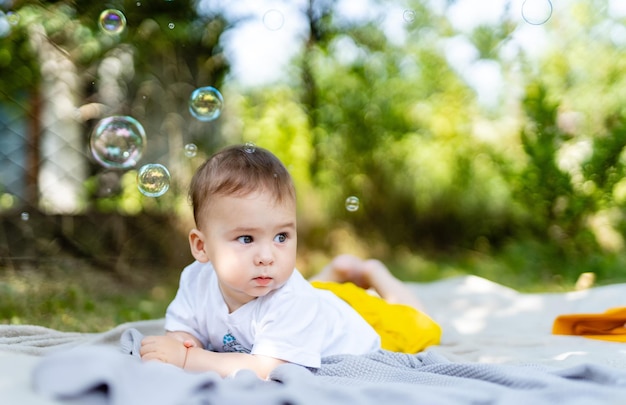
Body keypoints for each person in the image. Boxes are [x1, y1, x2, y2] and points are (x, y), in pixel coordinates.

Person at [140, 144, 440, 379]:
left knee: (419, 326)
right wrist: (181, 341)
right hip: (320, 305)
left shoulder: (293, 300)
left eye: (281, 237)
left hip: (361, 326)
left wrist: (188, 358)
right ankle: (334, 275)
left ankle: (375, 272)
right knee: (315, 294)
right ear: (201, 247)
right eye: (246, 239)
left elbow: (266, 368)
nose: (267, 256)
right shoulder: (196, 279)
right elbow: (184, 330)